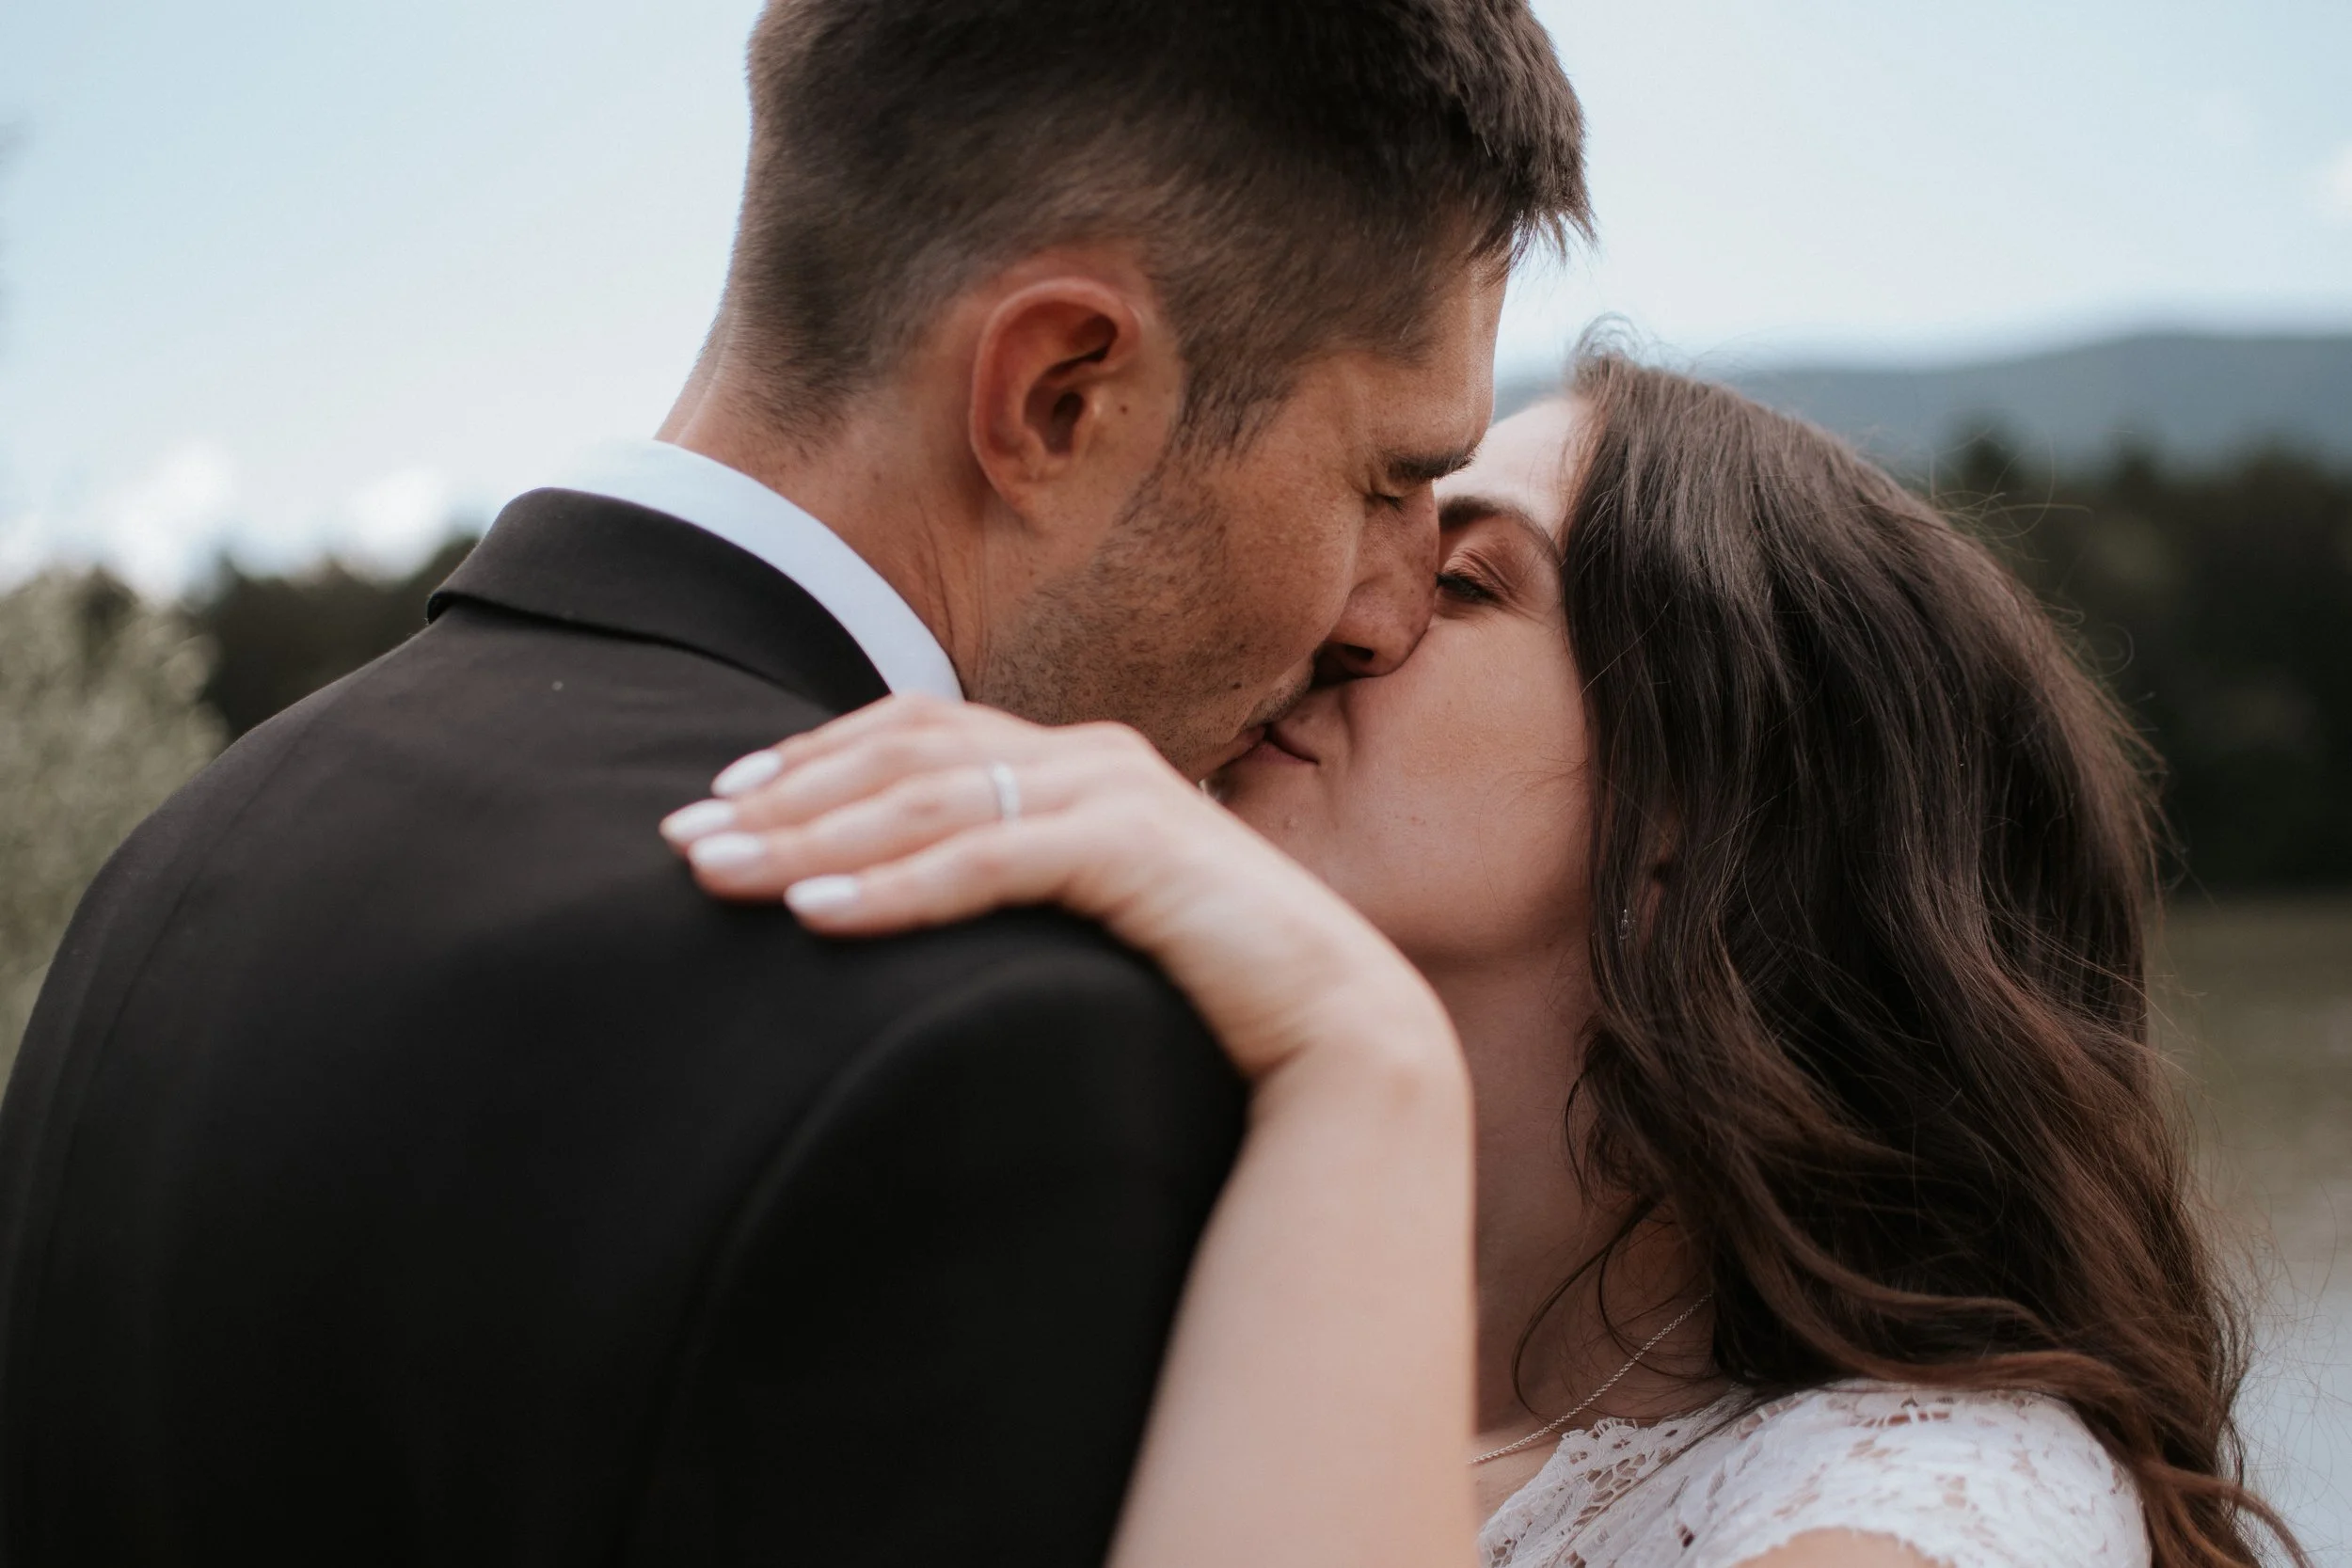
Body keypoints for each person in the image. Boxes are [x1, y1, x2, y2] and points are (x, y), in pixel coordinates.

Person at [0, 2, 1588, 1560]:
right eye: (1386, 478)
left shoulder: (195, 851)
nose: (1386, 608)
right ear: (1061, 395)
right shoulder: (986, 1041)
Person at [666, 350, 2303, 1568]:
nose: (1346, 618)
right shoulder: (1151, 1308)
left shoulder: (1934, 1503)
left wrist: (1352, 1053)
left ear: (1708, 794)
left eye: (1460, 578)